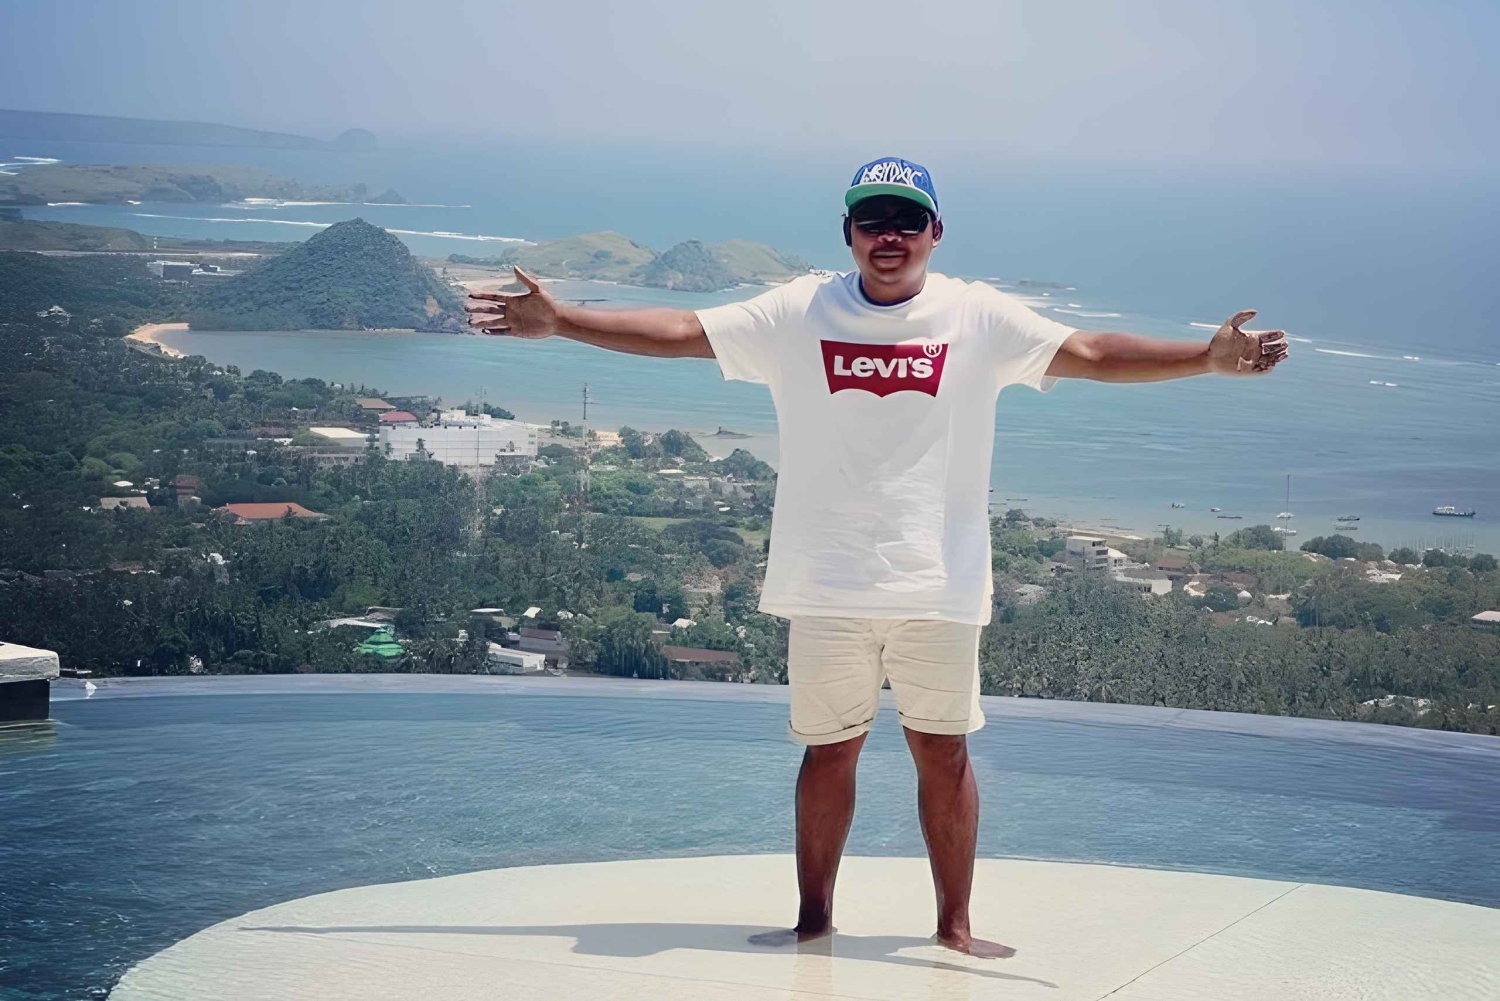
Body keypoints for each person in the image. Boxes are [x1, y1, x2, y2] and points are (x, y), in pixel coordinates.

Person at [466, 156, 1289, 958]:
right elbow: (684, 332)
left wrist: (1204, 358)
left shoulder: (977, 316)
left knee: (945, 752)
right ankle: (812, 921)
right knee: (829, 751)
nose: (889, 235)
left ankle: (954, 928)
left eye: (906, 221)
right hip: (827, 581)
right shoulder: (801, 309)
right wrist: (564, 320)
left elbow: (1094, 352)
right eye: (872, 221)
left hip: (939, 581)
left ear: (936, 232)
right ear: (848, 233)